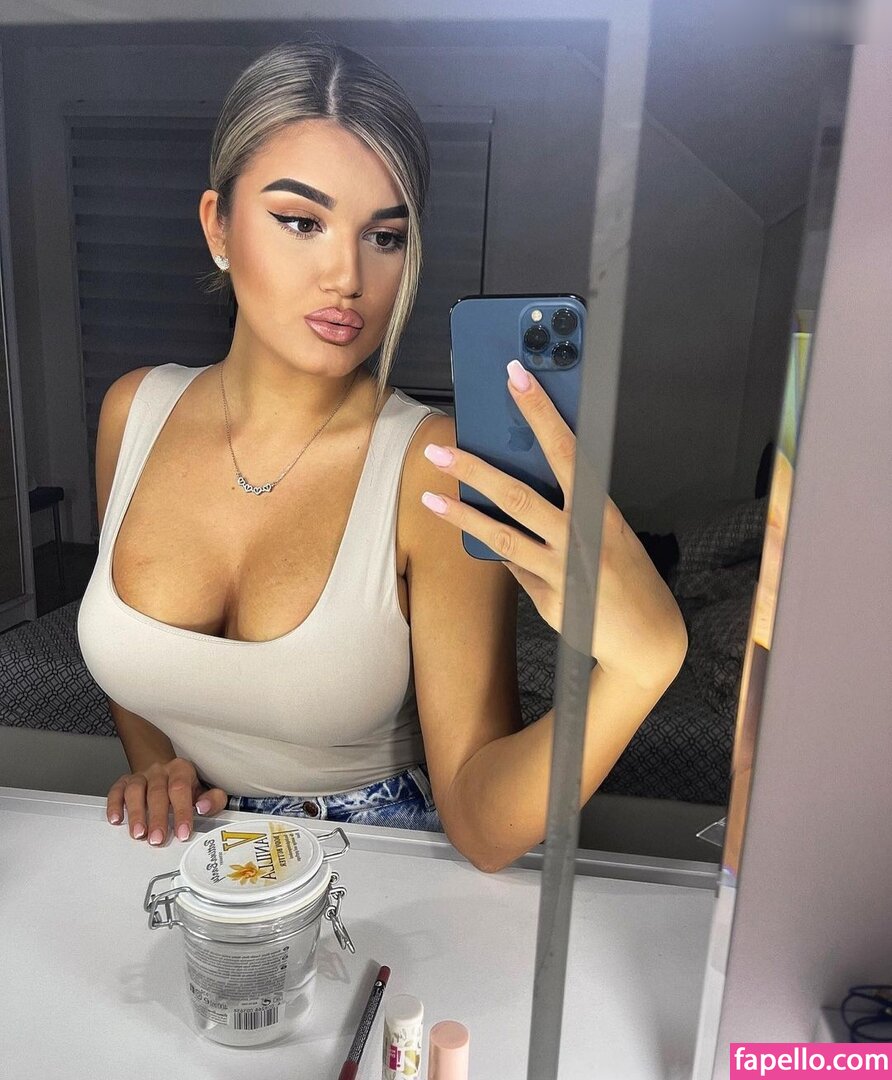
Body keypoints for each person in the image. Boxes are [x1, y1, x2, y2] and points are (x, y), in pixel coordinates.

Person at [76, 38, 687, 874]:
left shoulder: (431, 470)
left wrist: (642, 666)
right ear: (218, 225)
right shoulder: (133, 412)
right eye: (302, 222)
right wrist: (155, 763)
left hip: (376, 884)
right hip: (185, 874)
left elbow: (481, 825)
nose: (347, 276)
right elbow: (136, 668)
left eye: (385, 236)